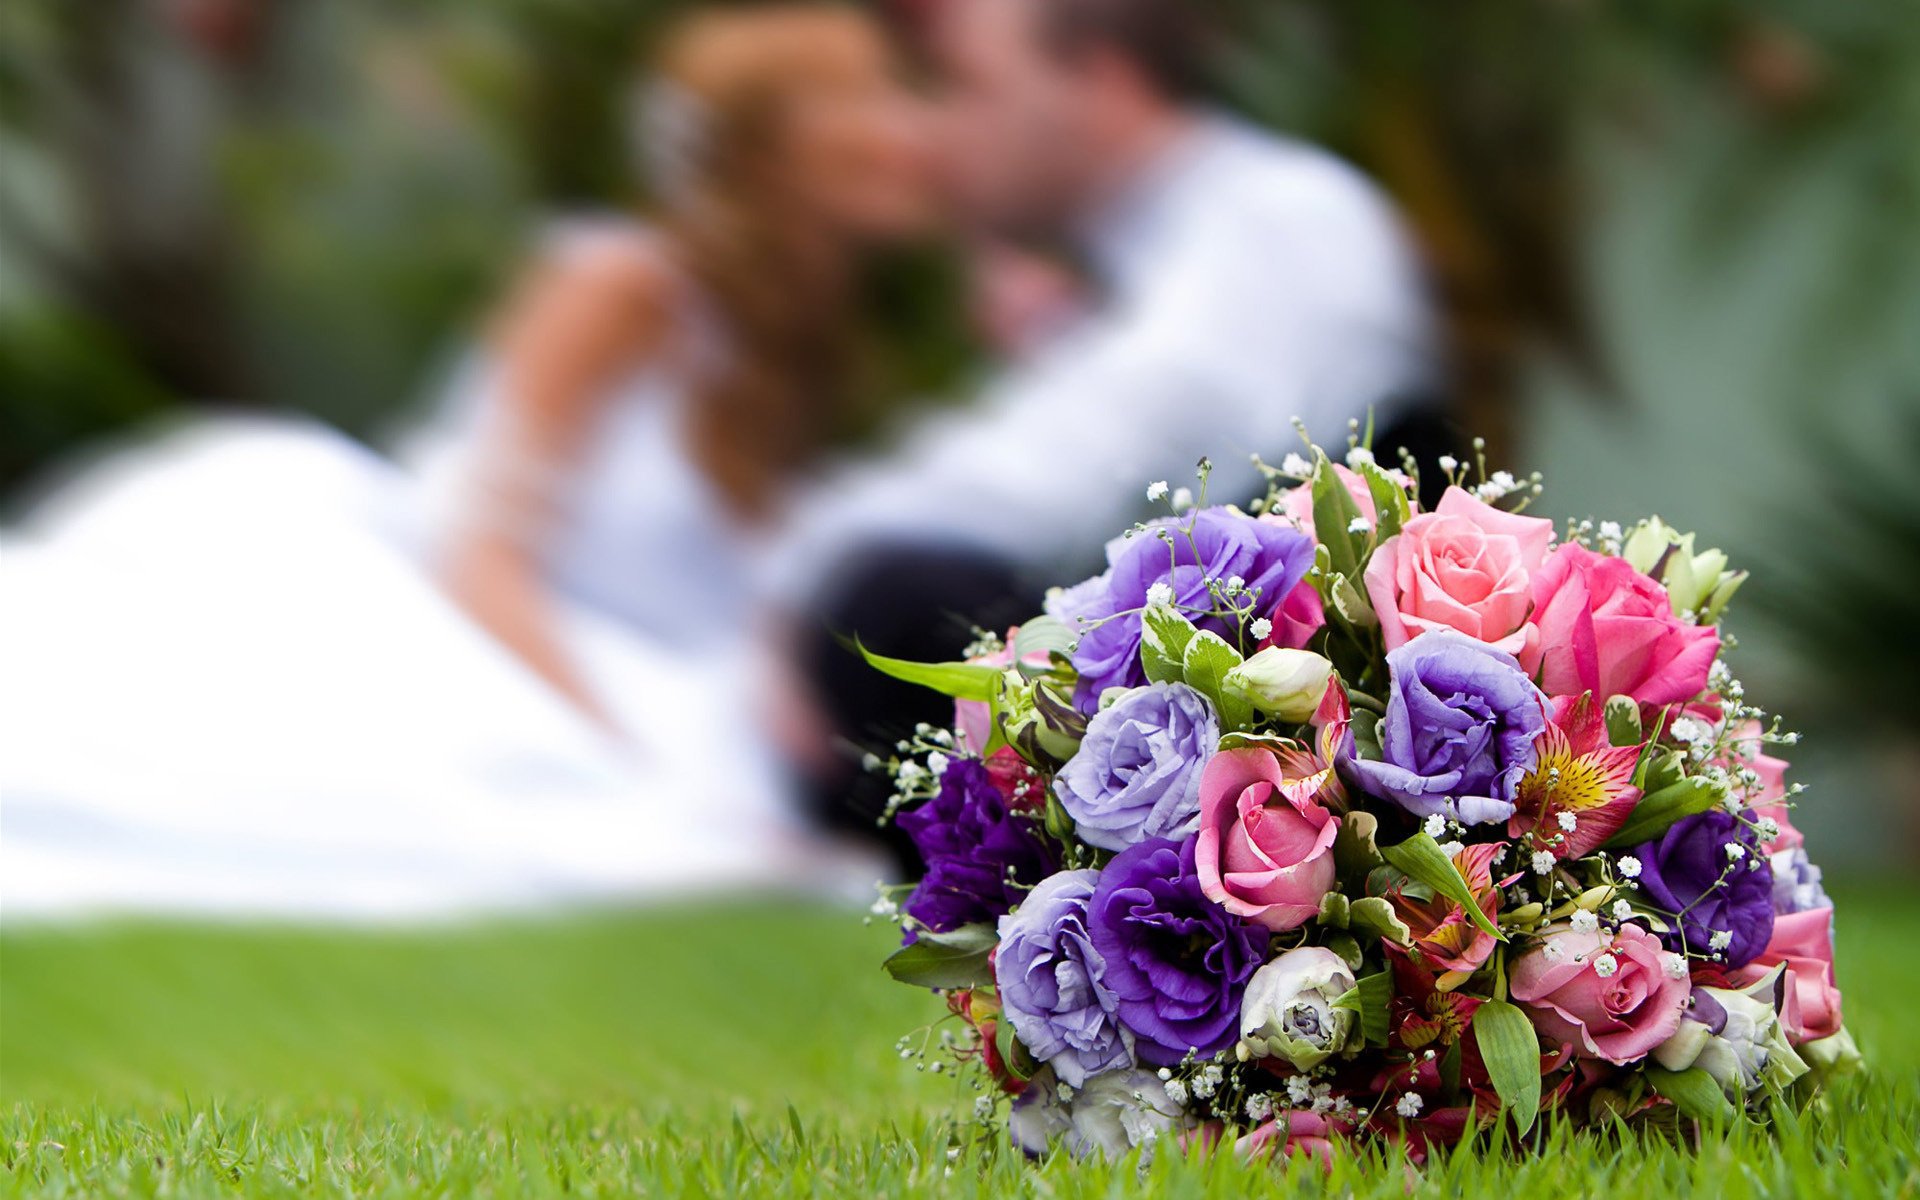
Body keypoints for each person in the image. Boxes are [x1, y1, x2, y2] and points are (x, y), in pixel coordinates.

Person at [0, 3, 937, 919]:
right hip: (450, 603)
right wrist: (618, 758)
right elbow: (484, 547)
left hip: (661, 682)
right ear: (772, 141)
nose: (911, 126)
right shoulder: (623, 285)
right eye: (870, 94)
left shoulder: (799, 350)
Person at [773, 0, 1449, 847]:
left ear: (1099, 75)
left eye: (966, 84)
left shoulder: (1280, 216)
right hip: (1245, 718)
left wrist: (795, 573)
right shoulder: (1172, 241)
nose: (941, 132)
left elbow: (1079, 463)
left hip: (1316, 755)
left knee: (893, 605)